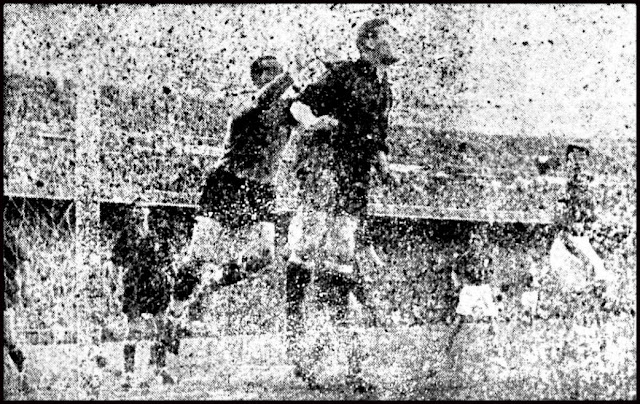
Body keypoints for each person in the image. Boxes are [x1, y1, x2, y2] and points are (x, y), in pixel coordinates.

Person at [284, 17, 401, 393]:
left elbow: (375, 139)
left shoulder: (385, 89)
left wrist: (385, 167)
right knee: (302, 266)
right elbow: (299, 107)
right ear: (368, 42)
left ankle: (348, 366)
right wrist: (314, 122)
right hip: (322, 177)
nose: (397, 41)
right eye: (390, 36)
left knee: (339, 273)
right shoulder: (344, 75)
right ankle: (295, 341)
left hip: (353, 189)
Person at [171, 56, 298, 322]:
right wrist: (290, 74)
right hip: (228, 184)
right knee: (200, 256)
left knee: (263, 257)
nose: (277, 76)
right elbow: (262, 100)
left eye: (279, 71)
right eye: (271, 72)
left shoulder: (289, 110)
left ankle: (208, 288)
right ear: (257, 78)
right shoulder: (244, 103)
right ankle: (175, 308)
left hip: (261, 189)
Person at [112, 203, 176, 389]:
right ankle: (129, 374)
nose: (140, 212)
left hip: (157, 286)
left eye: (143, 208)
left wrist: (173, 278)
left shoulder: (158, 235)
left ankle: (160, 369)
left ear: (148, 212)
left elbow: (169, 262)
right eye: (136, 209)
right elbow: (115, 262)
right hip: (135, 286)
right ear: (133, 213)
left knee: (161, 328)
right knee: (133, 330)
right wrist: (117, 286)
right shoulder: (126, 235)